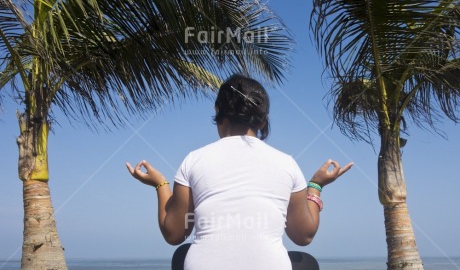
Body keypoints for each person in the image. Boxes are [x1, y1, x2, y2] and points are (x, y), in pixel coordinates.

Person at [126, 74, 353, 270]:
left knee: (182, 254)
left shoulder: (193, 160)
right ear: (263, 120)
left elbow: (174, 234)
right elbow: (303, 235)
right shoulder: (287, 163)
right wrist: (316, 185)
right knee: (306, 262)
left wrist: (160, 184)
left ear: (218, 112)